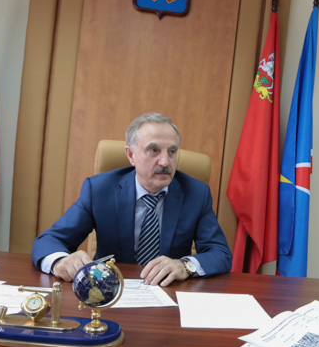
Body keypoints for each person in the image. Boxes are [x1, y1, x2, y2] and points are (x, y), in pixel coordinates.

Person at [31, 112, 232, 286]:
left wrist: (185, 266)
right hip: (108, 290)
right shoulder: (100, 190)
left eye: (172, 151)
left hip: (169, 292)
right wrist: (60, 262)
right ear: (131, 155)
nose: (165, 161)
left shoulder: (196, 194)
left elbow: (220, 253)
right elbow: (49, 240)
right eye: (153, 150)